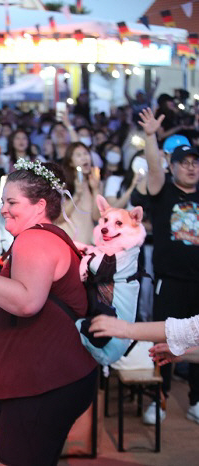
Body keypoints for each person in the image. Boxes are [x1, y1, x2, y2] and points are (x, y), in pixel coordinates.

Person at [0, 160, 97, 466]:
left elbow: (28, 302)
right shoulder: (42, 236)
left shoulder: (34, 239)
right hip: (48, 378)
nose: (3, 209)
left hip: (45, 381)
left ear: (40, 204)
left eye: (12, 202)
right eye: (3, 201)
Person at [137, 108, 199, 425]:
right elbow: (153, 168)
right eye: (184, 163)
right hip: (170, 281)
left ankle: (197, 400)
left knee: (197, 340)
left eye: (195, 163)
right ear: (172, 166)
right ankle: (158, 400)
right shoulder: (163, 192)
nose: (190, 168)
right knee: (165, 340)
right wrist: (150, 136)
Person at [57, 142, 102, 244]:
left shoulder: (96, 183)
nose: (84, 158)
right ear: (71, 162)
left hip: (87, 245)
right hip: (66, 244)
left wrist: (96, 189)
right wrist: (77, 195)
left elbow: (96, 216)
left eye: (86, 154)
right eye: (78, 155)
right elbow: (59, 218)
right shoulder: (62, 184)